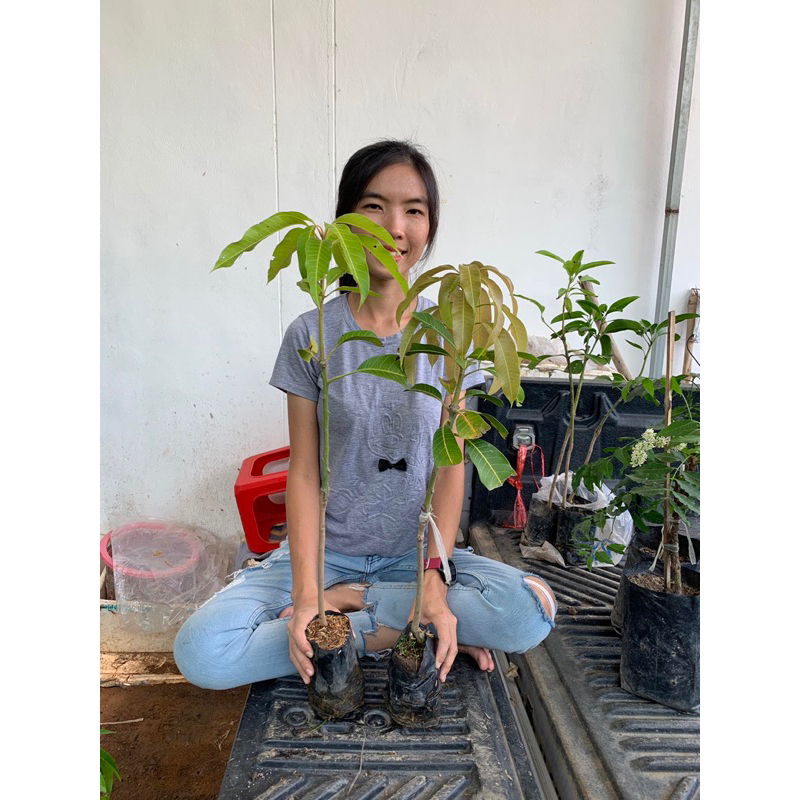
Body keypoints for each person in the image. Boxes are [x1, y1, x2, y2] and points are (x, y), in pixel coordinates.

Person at [174, 140, 557, 691]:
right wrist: (309, 595)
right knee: (202, 652)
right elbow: (303, 472)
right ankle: (402, 629)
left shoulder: (449, 335)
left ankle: (357, 623)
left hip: (415, 555)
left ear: (430, 226)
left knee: (531, 611)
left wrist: (434, 581)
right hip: (324, 556)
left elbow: (451, 466)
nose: (394, 227)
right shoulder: (312, 334)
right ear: (345, 221)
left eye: (414, 210)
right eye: (374, 206)